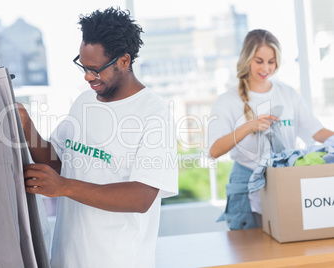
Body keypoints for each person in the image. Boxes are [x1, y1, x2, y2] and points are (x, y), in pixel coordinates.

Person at [18, 6, 178, 268]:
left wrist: (63, 187)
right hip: (65, 259)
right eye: (82, 66)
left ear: (124, 61)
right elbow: (59, 163)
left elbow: (141, 197)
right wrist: (27, 127)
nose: (87, 76)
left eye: (95, 69)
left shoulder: (154, 116)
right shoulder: (84, 101)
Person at [207, 29, 334, 230]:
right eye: (259, 61)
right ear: (247, 58)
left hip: (284, 182)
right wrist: (250, 126)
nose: (266, 68)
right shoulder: (227, 102)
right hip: (245, 190)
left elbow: (317, 131)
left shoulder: (288, 94)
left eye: (271, 61)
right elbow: (214, 150)